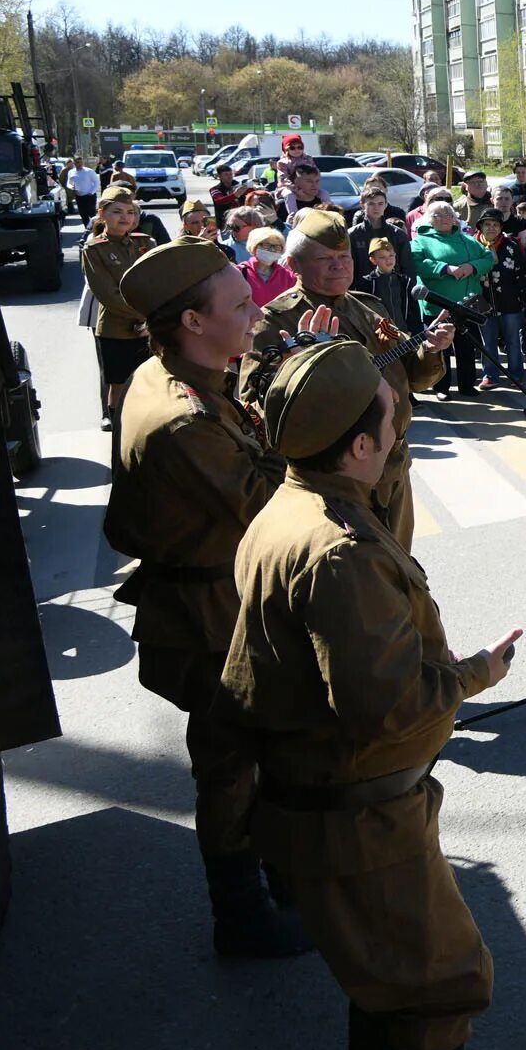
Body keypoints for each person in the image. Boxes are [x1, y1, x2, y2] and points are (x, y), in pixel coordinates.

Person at [222, 341, 520, 1050]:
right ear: (359, 445)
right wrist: (474, 674)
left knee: (382, 976)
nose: (400, 426)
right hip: (360, 818)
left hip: (326, 803)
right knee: (439, 980)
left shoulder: (293, 504)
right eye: (392, 416)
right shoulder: (338, 550)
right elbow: (389, 710)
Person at [103, 240, 313, 962]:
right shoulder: (182, 420)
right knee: (229, 760)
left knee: (259, 745)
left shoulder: (183, 378)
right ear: (193, 321)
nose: (256, 310)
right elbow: (269, 501)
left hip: (221, 597)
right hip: (206, 616)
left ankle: (280, 878)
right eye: (240, 306)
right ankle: (241, 914)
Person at [243, 210, 456, 546]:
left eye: (343, 257)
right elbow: (254, 406)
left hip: (392, 465)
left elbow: (412, 379)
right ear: (294, 265)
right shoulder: (275, 322)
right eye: (325, 259)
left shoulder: (368, 307)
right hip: (333, 480)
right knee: (354, 574)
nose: (338, 266)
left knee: (398, 567)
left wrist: (430, 350)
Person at [81, 187, 156, 431]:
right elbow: (108, 294)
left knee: (153, 383)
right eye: (117, 212)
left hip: (151, 328)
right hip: (117, 329)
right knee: (120, 385)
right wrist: (146, 316)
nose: (125, 217)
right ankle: (121, 433)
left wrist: (154, 320)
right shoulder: (94, 249)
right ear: (102, 214)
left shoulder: (145, 243)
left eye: (130, 212)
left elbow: (159, 281)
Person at [410, 200, 495, 397]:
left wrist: (471, 267)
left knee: (466, 347)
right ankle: (441, 387)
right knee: (441, 349)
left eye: (448, 215)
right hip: (437, 306)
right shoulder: (420, 241)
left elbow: (488, 258)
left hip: (467, 305)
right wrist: (445, 268)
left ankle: (467, 385)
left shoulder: (468, 240)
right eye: (438, 215)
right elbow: (417, 263)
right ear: (430, 220)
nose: (445, 219)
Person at [473, 211, 526, 389]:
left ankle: (516, 374)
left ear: (501, 228)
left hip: (510, 301)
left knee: (513, 339)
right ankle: (490, 375)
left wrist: (522, 299)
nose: (492, 228)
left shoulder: (511, 245)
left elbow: (522, 273)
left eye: (496, 225)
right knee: (488, 341)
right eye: (487, 224)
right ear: (481, 227)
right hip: (482, 301)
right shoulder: (472, 246)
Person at [360, 232, 421, 337]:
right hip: (380, 337)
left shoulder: (405, 282)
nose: (388, 260)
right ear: (373, 260)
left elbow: (414, 310)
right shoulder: (367, 283)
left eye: (391, 255)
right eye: (382, 257)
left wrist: (413, 330)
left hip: (404, 334)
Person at [241, 224, 298, 309]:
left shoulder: (289, 277)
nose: (272, 250)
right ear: (254, 247)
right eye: (266, 245)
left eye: (277, 247)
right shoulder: (240, 272)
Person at [64, 155, 101, 224]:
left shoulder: (89, 171)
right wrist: (71, 187)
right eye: (77, 162)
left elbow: (96, 182)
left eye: (81, 162)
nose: (80, 164)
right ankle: (87, 230)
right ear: (74, 163)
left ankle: (96, 229)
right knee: (83, 214)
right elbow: (69, 183)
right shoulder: (71, 172)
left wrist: (91, 192)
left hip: (90, 196)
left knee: (92, 213)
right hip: (79, 196)